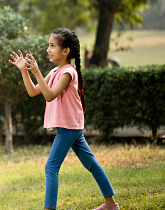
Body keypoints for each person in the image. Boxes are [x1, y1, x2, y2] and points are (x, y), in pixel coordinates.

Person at [9, 28, 119, 210]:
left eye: (52, 46)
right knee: (90, 163)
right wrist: (24, 71)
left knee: (51, 167)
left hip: (69, 127)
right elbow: (33, 91)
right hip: (70, 126)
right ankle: (110, 204)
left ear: (66, 51)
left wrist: (37, 72)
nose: (48, 49)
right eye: (48, 45)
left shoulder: (68, 73)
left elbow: (50, 95)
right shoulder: (54, 71)